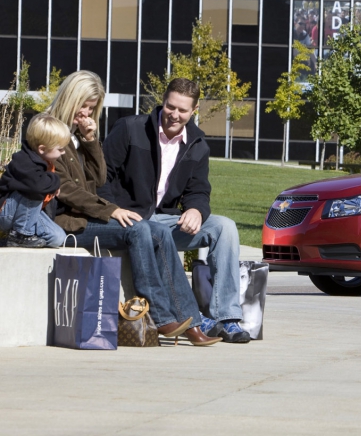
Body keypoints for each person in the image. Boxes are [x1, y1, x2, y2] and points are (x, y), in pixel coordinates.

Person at [46, 71, 220, 346]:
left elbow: (99, 178)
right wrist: (110, 210)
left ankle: (191, 322)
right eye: (84, 105)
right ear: (70, 99)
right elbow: (64, 188)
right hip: (68, 222)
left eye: (92, 107)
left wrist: (91, 141)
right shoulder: (49, 131)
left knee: (158, 232)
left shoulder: (79, 134)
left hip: (90, 216)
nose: (87, 112)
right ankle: (162, 318)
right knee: (140, 230)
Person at [100, 77, 250, 343]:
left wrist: (196, 211)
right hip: (129, 219)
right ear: (163, 101)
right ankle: (187, 314)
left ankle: (226, 318)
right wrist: (113, 209)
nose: (174, 115)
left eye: (182, 110)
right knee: (155, 229)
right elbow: (102, 176)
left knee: (224, 227)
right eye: (171, 107)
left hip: (167, 220)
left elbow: (199, 191)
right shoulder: (130, 129)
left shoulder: (198, 143)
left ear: (193, 111)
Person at [0, 114, 70, 248]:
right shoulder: (23, 161)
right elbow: (37, 186)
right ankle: (21, 235)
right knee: (35, 189)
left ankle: (18, 236)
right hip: (5, 213)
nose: (63, 152)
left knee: (58, 238)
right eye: (60, 149)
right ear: (42, 149)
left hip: (21, 213)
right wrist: (55, 181)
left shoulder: (45, 163)